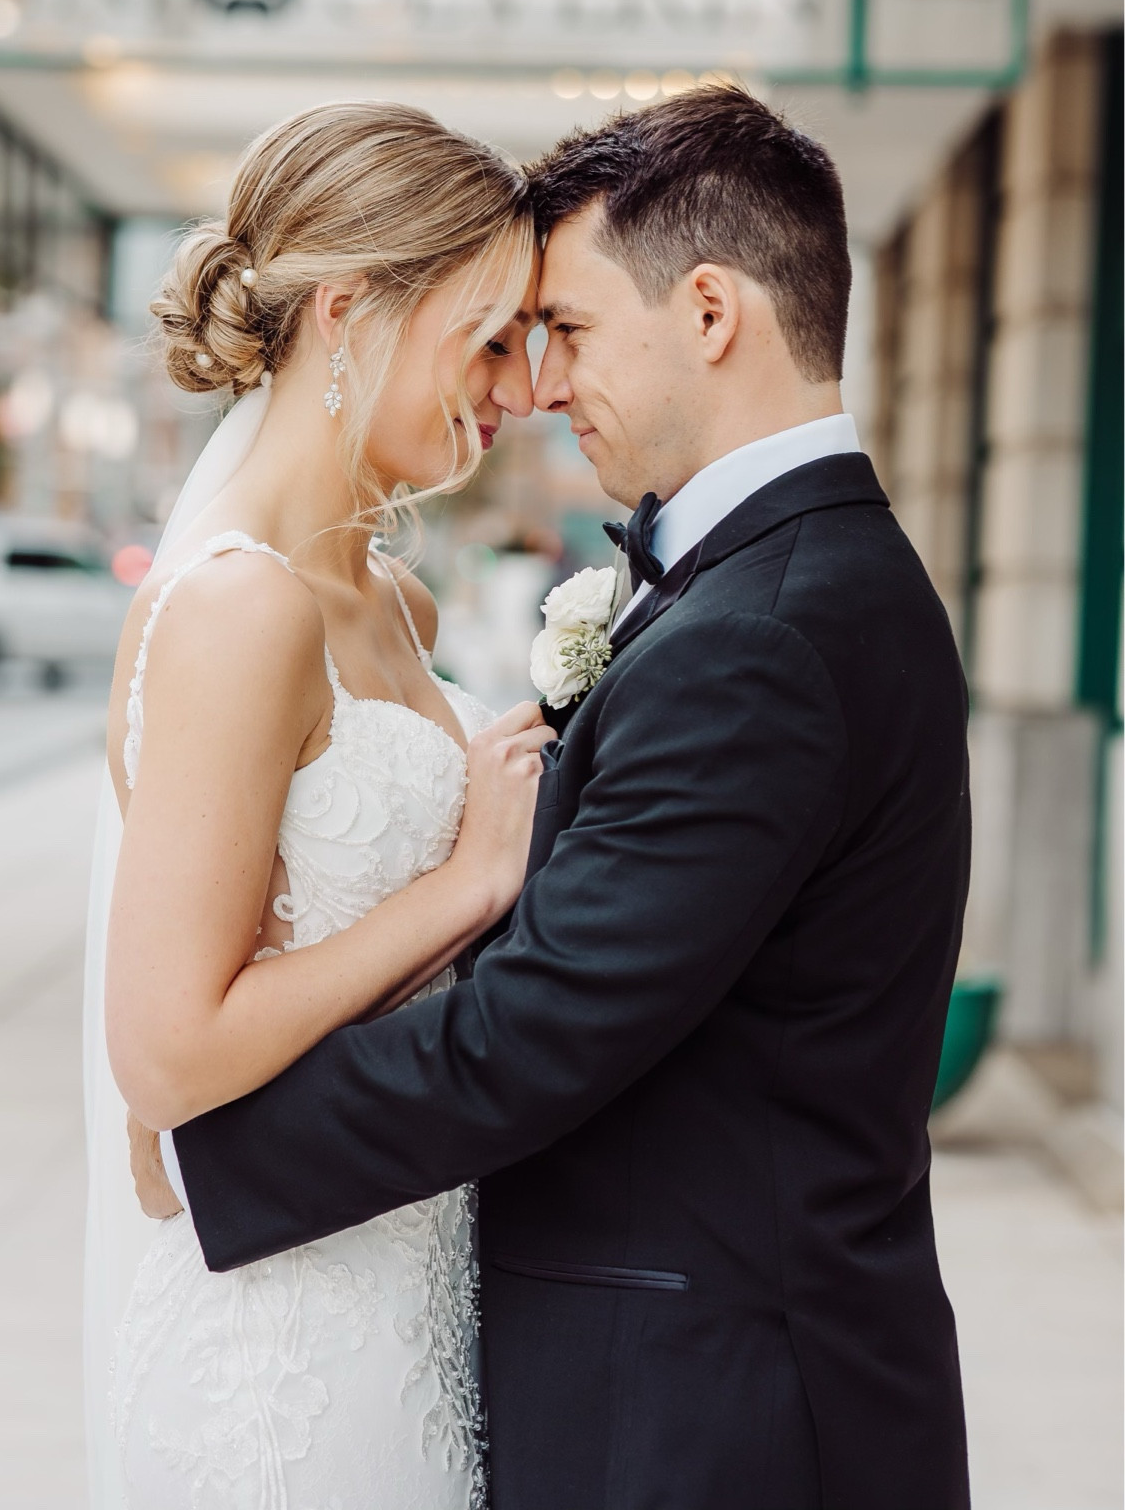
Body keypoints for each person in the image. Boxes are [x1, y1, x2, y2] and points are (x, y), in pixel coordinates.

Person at [138, 85, 973, 1510]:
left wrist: (209, 1154)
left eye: (567, 328)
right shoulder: (778, 588)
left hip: (712, 1415)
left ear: (708, 312)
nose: (534, 384)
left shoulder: (767, 632)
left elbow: (541, 1026)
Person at [83, 101, 551, 1510]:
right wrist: (468, 884)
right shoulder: (240, 608)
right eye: (489, 338)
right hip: (278, 1359)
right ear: (349, 311)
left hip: (407, 1285)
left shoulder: (396, 604)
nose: (518, 386)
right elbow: (168, 1057)